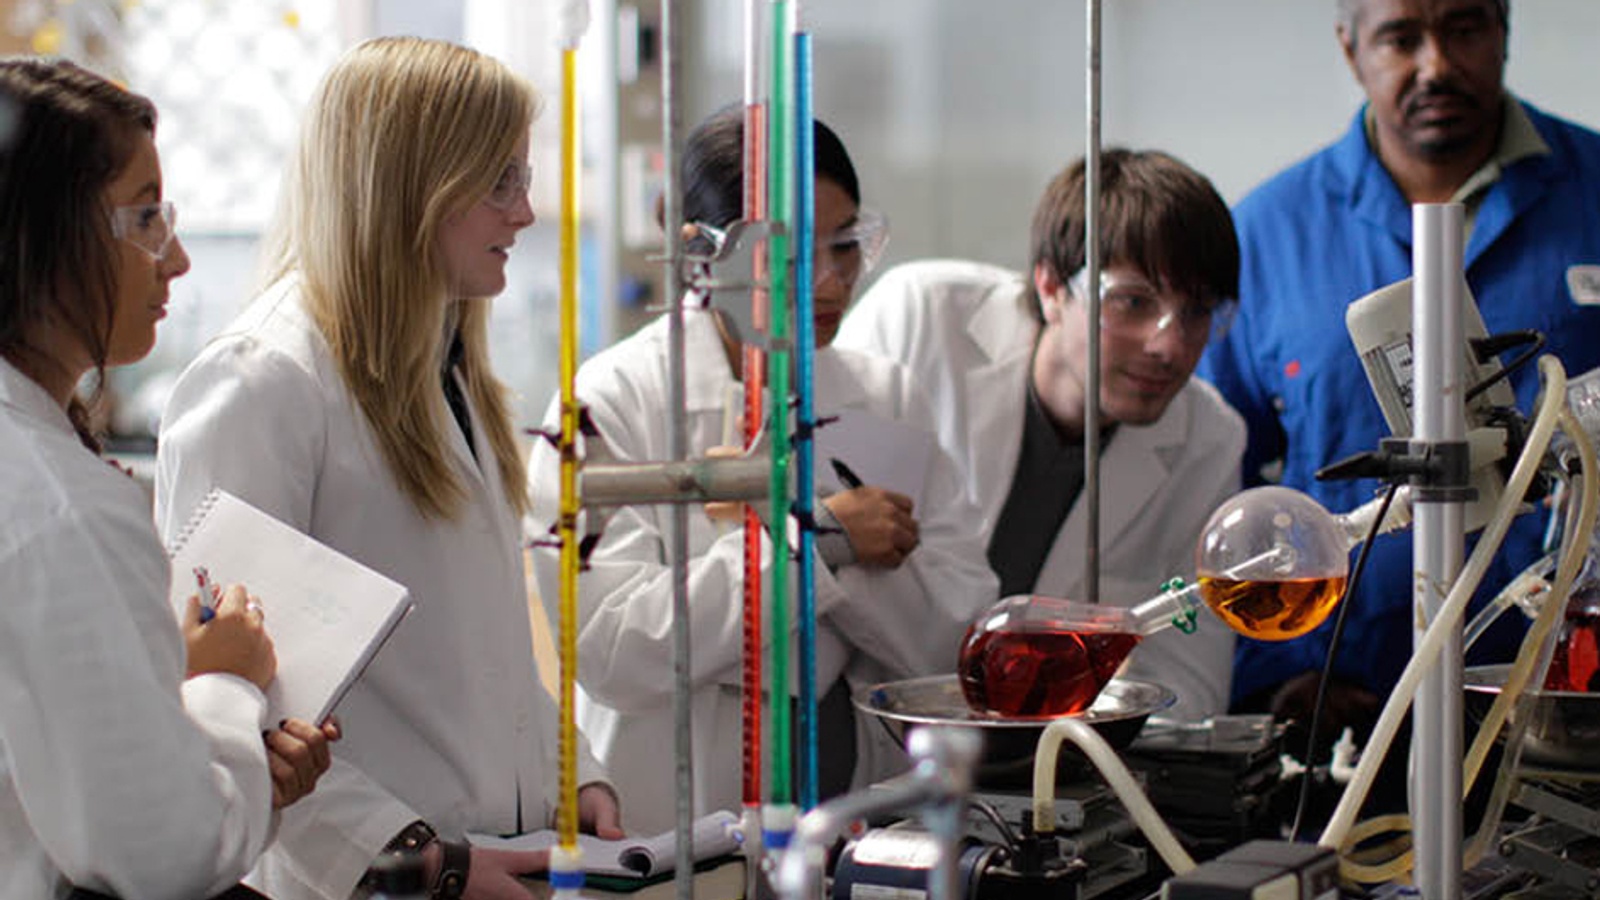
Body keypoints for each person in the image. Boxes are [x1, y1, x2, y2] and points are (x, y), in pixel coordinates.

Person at [155, 38, 621, 900]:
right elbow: (229, 703)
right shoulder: (264, 383)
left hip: (493, 853)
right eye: (500, 182)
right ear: (412, 186)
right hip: (376, 878)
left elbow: (492, 657)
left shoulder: (450, 373)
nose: (524, 213)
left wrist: (573, 774)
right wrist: (418, 861)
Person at [526, 107, 999, 835]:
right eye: (792, 257)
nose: (831, 281)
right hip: (680, 813)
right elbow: (614, 650)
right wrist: (820, 545)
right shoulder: (607, 403)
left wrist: (782, 561)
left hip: (859, 807)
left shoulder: (886, 393)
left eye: (844, 247)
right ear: (700, 254)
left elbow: (954, 637)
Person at [1198, 0, 1600, 741]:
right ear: (1352, 50)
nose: (1436, 64)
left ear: (1505, 34)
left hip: (1569, 706)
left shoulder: (1593, 195)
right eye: (1401, 37)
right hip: (1337, 717)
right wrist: (1273, 676)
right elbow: (1212, 474)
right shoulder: (1266, 235)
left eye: (1465, 28)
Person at [0, 57, 335, 900]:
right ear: (43, 233)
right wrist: (225, 683)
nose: (176, 258)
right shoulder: (58, 506)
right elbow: (168, 854)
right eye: (146, 217)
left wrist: (179, 704)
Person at [836, 149, 1245, 721]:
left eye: (1198, 311)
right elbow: (826, 561)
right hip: (869, 737)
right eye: (1132, 302)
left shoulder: (1209, 440)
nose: (1169, 346)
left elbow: (1191, 686)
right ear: (1052, 286)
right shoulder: (920, 322)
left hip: (1052, 766)